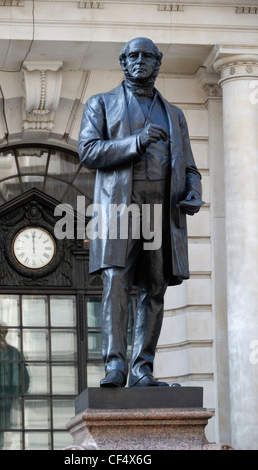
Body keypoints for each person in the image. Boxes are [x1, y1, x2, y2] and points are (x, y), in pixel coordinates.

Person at [78, 37, 203, 388]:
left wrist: (193, 191)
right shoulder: (101, 104)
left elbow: (190, 168)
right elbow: (88, 151)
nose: (140, 61)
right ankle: (115, 366)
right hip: (120, 209)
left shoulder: (175, 114)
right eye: (133, 56)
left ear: (158, 63)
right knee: (116, 282)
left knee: (155, 288)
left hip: (162, 211)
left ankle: (141, 368)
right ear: (123, 62)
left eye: (148, 56)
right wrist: (136, 142)